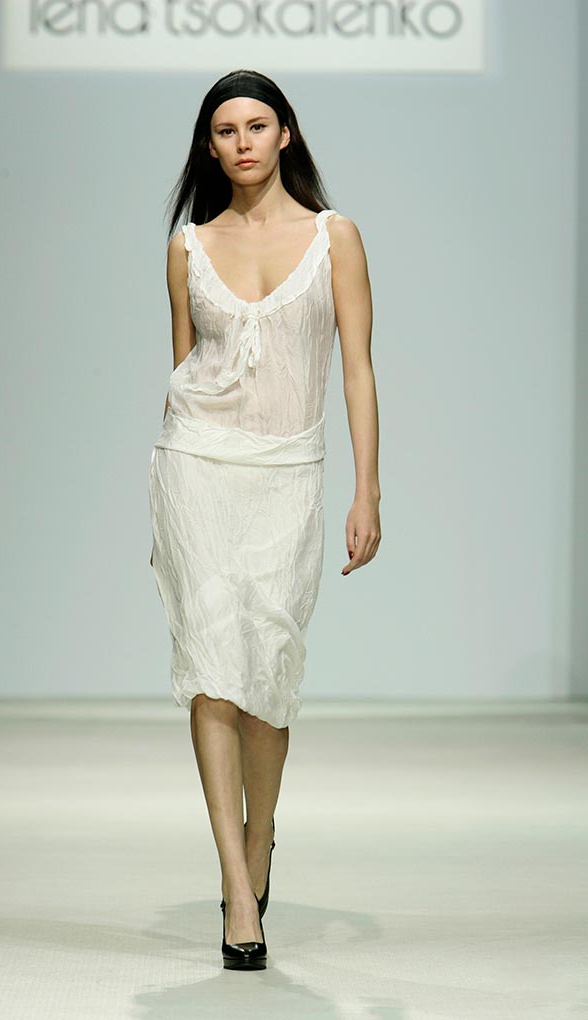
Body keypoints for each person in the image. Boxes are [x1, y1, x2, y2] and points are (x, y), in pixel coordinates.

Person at [148, 69, 381, 970]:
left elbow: (357, 368)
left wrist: (367, 490)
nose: (241, 143)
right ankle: (238, 892)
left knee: (269, 672)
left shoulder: (335, 237)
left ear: (286, 133)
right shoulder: (187, 247)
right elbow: (182, 370)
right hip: (196, 466)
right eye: (225, 131)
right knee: (213, 670)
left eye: (256, 125)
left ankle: (261, 831)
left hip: (288, 473)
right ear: (209, 148)